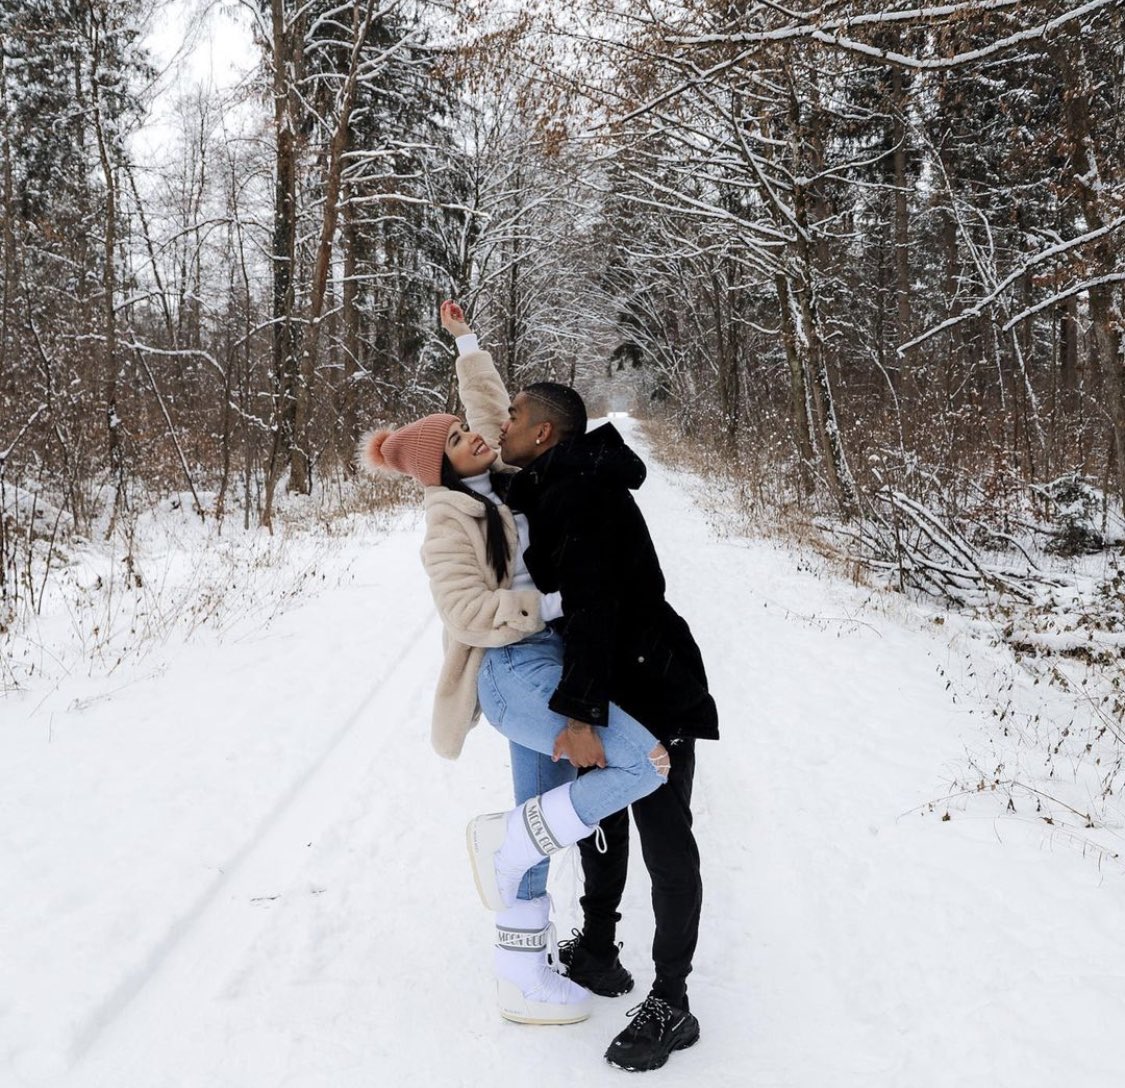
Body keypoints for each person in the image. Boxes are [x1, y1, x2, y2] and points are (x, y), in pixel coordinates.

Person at [356, 334, 670, 1029]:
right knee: (645, 763)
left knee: (536, 814)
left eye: (478, 430)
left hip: (547, 663)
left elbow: (492, 405)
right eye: (463, 437)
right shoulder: (446, 521)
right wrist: (557, 604)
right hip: (511, 672)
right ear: (440, 464)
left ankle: (519, 976)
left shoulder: (498, 480)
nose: (481, 433)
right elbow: (465, 613)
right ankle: (510, 838)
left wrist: (465, 341)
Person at [445, 300, 718, 1073]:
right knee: (602, 821)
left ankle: (672, 999)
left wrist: (581, 715)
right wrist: (465, 342)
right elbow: (486, 413)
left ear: (545, 434)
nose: (502, 428)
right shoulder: (544, 479)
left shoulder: (582, 494)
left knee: (666, 832)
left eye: (518, 419)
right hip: (597, 668)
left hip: (650, 678)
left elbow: (598, 608)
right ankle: (598, 948)